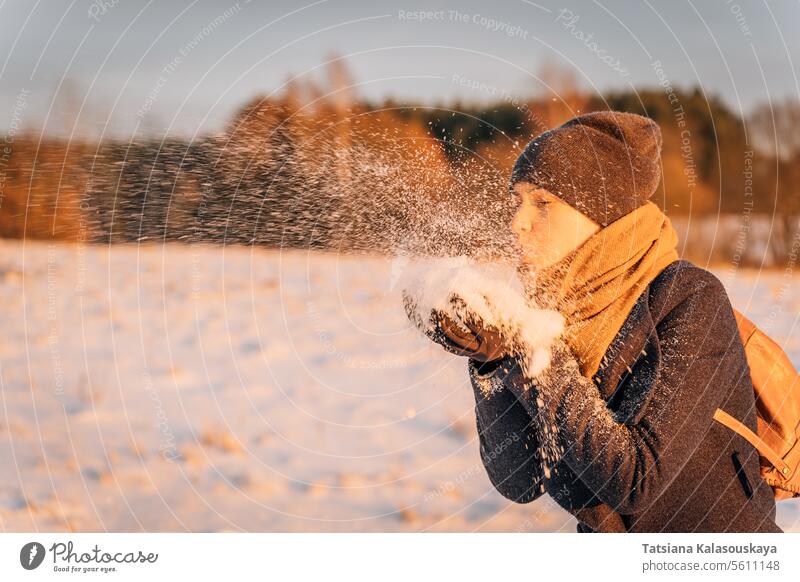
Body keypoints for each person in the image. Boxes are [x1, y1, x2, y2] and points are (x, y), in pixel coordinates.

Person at [412, 111, 781, 532]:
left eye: (542, 203)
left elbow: (638, 480)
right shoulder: (547, 318)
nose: (517, 222)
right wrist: (493, 360)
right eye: (517, 201)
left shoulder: (689, 298)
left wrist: (535, 350)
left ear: (601, 214)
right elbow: (520, 480)